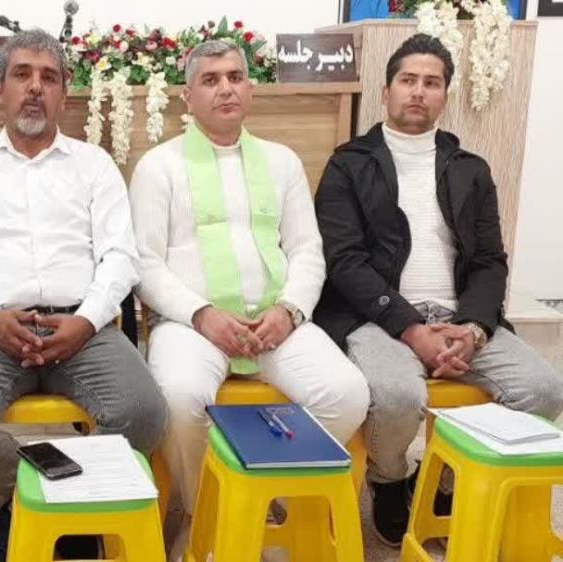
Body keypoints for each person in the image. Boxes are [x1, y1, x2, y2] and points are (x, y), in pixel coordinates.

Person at [314, 33, 563, 547]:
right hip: (377, 316)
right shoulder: (348, 164)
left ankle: (444, 481)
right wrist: (411, 328)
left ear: (444, 96)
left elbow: (490, 261)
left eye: (431, 83)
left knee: (544, 388)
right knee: (397, 395)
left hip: (459, 314)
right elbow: (345, 263)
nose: (418, 91)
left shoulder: (470, 169)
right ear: (386, 91)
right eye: (408, 80)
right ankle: (389, 480)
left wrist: (472, 329)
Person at [0, 28, 167, 562]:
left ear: (63, 94)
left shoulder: (94, 165)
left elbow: (120, 257)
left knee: (144, 413)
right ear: (1, 89)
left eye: (49, 77)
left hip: (83, 329)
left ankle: (35, 514)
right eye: (22, 74)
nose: (35, 87)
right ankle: (48, 506)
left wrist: (86, 321)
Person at [129, 39, 370, 559]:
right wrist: (201, 314)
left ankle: (268, 494)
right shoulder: (158, 166)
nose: (226, 89)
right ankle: (206, 511)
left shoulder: (282, 163)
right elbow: (144, 264)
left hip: (274, 323)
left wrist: (290, 310)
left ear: (250, 90)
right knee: (179, 396)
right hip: (191, 325)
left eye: (235, 77)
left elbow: (307, 249)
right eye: (210, 80)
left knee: (347, 393)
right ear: (188, 97)